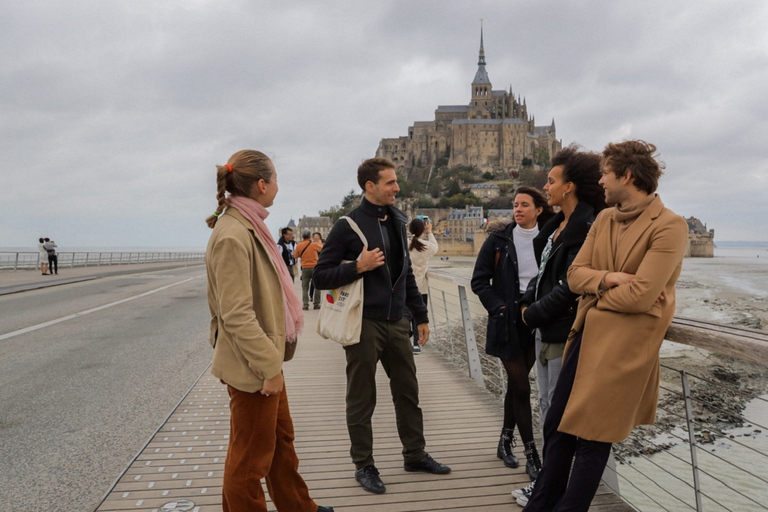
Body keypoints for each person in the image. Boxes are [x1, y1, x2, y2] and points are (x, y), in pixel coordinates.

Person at [523, 140, 688, 512]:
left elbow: (642, 297)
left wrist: (595, 293)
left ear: (626, 176)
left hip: (624, 348)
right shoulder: (603, 219)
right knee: (558, 426)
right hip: (586, 338)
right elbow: (574, 274)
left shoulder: (670, 226)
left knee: (594, 440)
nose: (599, 181)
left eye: (605, 173)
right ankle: (541, 504)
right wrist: (611, 278)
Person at [204, 149, 333, 512]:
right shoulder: (233, 234)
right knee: (249, 460)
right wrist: (269, 368)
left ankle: (298, 507)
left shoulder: (249, 224)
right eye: (275, 179)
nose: (277, 185)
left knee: (280, 441)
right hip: (253, 365)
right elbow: (236, 314)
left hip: (264, 358)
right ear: (262, 185)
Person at [313, 157, 451, 495]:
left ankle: (414, 455)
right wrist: (357, 266)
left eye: (396, 182)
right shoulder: (348, 225)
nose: (397, 188)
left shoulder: (399, 220)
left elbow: (404, 277)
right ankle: (364, 465)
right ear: (370, 186)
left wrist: (420, 316)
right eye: (390, 183)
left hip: (397, 321)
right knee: (362, 398)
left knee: (408, 392)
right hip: (363, 324)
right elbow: (320, 276)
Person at [512, 146, 606, 506]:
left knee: (557, 413)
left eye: (551, 180)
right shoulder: (556, 227)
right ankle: (549, 487)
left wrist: (531, 314)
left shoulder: (586, 226)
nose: (545, 186)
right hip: (545, 330)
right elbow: (544, 275)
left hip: (565, 330)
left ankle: (549, 490)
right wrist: (526, 303)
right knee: (548, 406)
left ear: (569, 187)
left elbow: (571, 285)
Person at [471, 187, 554, 479]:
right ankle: (532, 453)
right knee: (521, 386)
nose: (517, 210)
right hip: (507, 322)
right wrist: (500, 308)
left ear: (539, 209)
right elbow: (479, 281)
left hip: (537, 320)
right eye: (515, 205)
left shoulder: (550, 238)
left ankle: (505, 440)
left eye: (524, 205)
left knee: (515, 386)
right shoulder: (498, 240)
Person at [407, 218, 438, 354]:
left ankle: (404, 338)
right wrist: (430, 231)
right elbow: (435, 247)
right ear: (422, 230)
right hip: (421, 287)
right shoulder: (426, 246)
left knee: (405, 314)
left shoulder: (405, 244)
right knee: (418, 316)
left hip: (405, 286)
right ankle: (416, 344)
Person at [293, 230, 323, 310]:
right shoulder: (314, 244)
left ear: (302, 236)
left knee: (305, 287)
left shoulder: (299, 245)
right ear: (310, 236)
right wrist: (319, 242)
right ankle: (316, 304)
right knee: (317, 286)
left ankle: (305, 305)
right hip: (314, 267)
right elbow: (322, 249)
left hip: (305, 268)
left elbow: (295, 256)